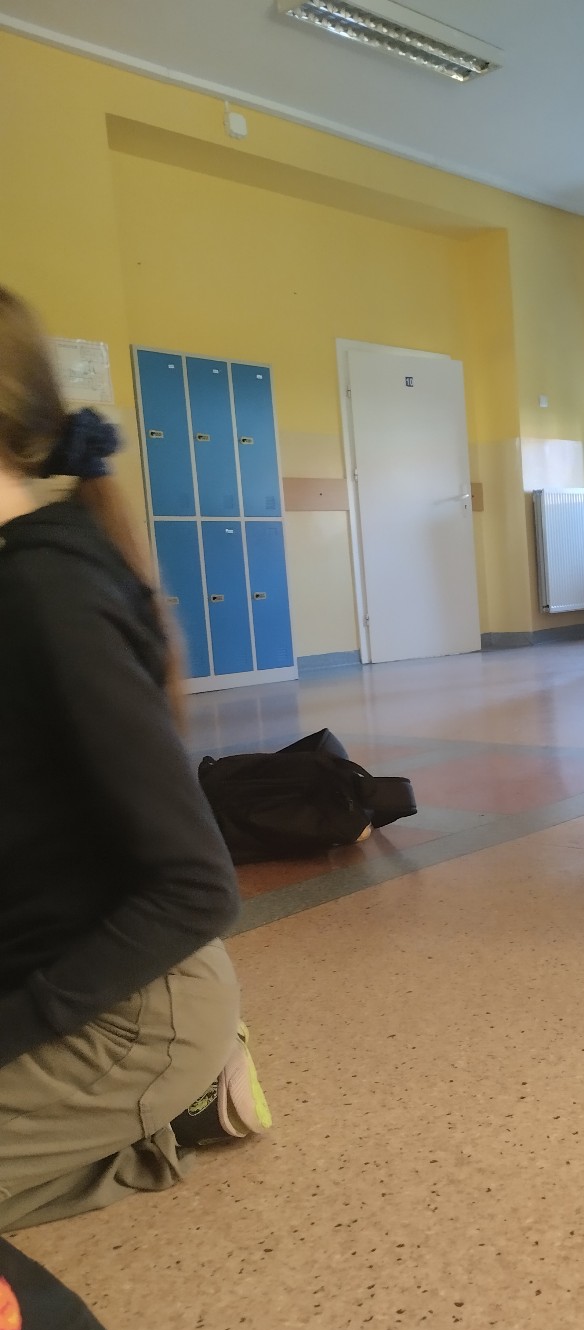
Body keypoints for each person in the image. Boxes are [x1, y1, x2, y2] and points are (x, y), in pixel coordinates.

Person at [0, 286, 270, 1233]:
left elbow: (197, 888)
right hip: (53, 975)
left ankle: (162, 1114)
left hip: (129, 1014)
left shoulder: (46, 594)